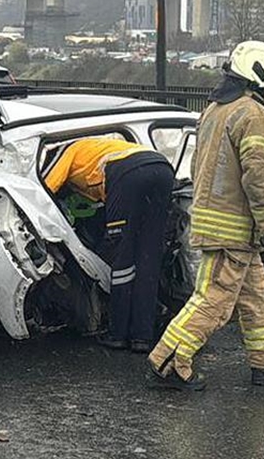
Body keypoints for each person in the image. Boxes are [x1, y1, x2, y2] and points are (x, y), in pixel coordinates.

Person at [146, 40, 264, 391]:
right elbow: (259, 177)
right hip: (235, 228)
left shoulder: (215, 110)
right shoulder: (254, 114)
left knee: (253, 295)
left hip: (217, 221)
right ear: (259, 79)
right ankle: (167, 362)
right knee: (214, 300)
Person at [43, 137, 174, 352]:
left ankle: (118, 334)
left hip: (127, 175)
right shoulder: (100, 146)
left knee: (122, 257)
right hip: (162, 169)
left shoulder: (67, 150)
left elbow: (46, 189)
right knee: (148, 258)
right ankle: (143, 337)